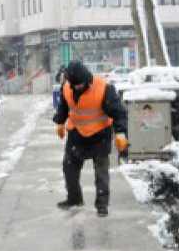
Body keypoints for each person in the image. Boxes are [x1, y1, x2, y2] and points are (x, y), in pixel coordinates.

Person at [53, 60, 128, 217]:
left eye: (80, 84)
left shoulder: (103, 88)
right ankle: (74, 199)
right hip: (76, 133)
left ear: (87, 79)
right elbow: (64, 106)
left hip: (100, 135)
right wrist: (60, 122)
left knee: (101, 172)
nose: (77, 87)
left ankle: (102, 205)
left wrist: (121, 133)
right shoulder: (67, 87)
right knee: (69, 168)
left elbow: (119, 112)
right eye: (74, 85)